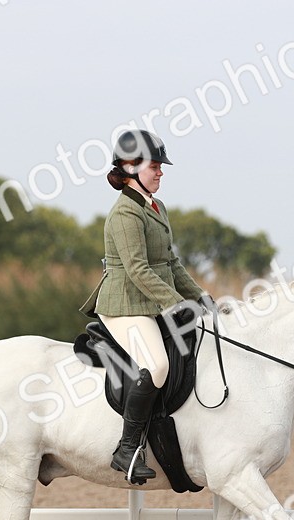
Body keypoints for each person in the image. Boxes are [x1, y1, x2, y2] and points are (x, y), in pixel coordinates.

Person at [79, 129, 208, 485]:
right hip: (124, 305)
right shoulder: (124, 214)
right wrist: (174, 303)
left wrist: (199, 296)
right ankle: (127, 447)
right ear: (131, 167)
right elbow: (137, 269)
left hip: (149, 301)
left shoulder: (155, 206)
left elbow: (171, 263)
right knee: (158, 364)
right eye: (155, 166)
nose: (161, 172)